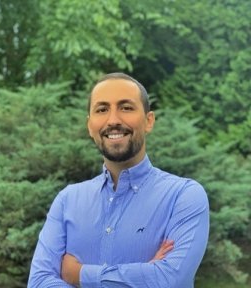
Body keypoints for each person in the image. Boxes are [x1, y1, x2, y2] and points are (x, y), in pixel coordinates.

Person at [27, 72, 209, 288]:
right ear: (89, 125)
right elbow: (39, 282)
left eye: (126, 107)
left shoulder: (183, 196)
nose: (113, 120)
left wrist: (79, 275)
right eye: (102, 110)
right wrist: (143, 277)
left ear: (148, 121)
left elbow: (169, 280)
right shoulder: (67, 200)